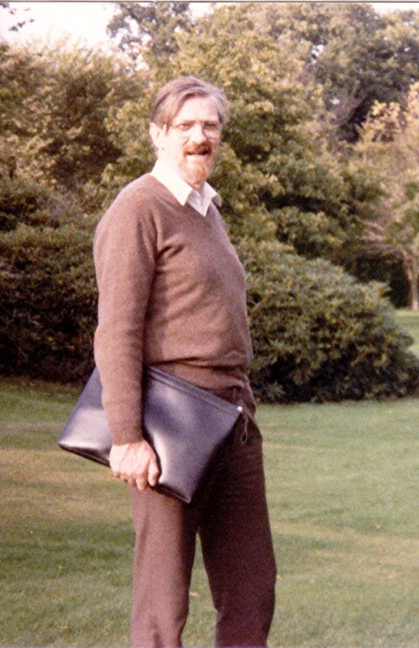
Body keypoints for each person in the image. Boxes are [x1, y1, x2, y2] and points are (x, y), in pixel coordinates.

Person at [93, 76, 276, 647]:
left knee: (252, 588)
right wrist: (127, 436)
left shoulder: (207, 209)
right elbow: (117, 330)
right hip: (171, 420)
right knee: (163, 596)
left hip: (233, 420)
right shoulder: (138, 208)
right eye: (185, 126)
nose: (200, 137)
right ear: (158, 134)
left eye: (210, 126)